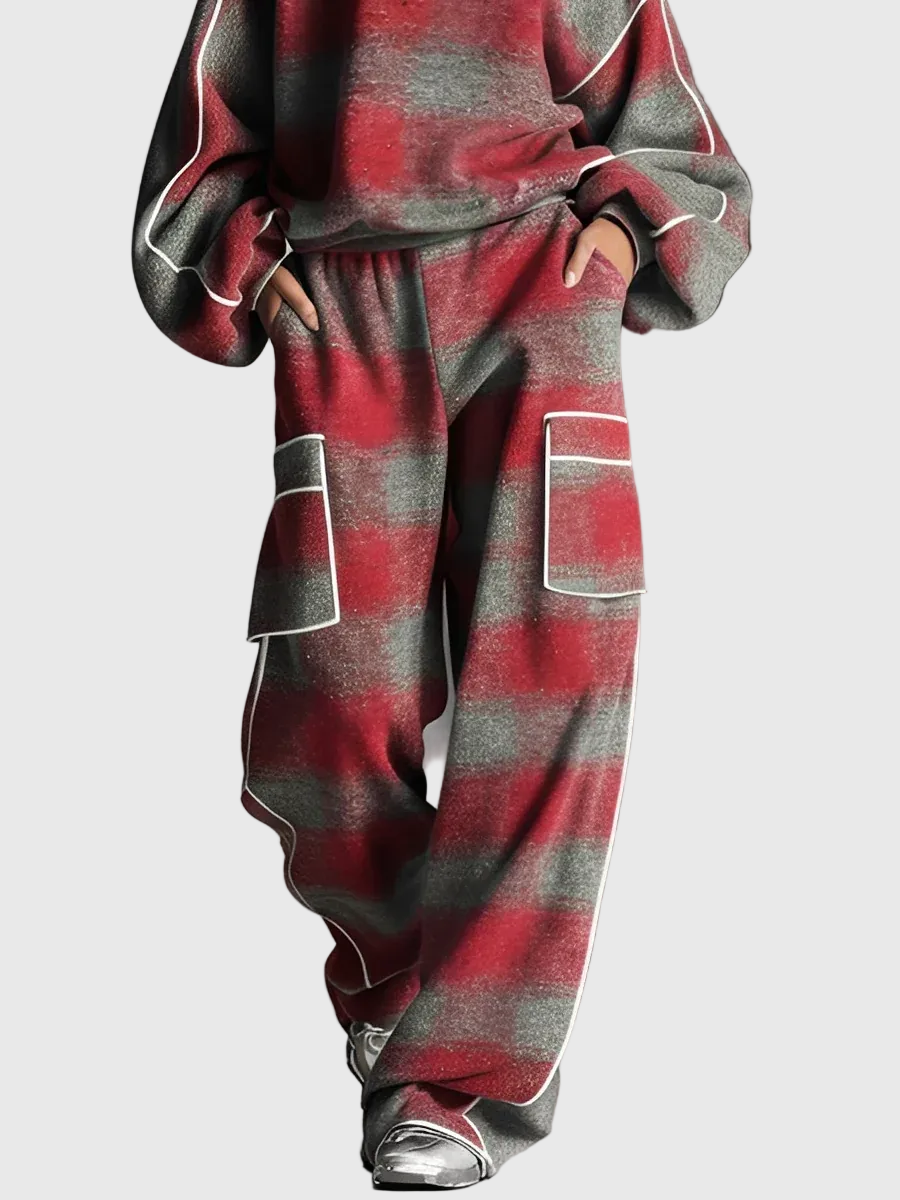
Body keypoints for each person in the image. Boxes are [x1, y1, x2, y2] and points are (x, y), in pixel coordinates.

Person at [132, 0, 751, 1187]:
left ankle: (457, 1085)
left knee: (549, 681)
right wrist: (249, 267)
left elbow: (686, 150)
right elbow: (195, 162)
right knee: (327, 701)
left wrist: (627, 237)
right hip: (343, 298)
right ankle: (403, 987)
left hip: (536, 285)